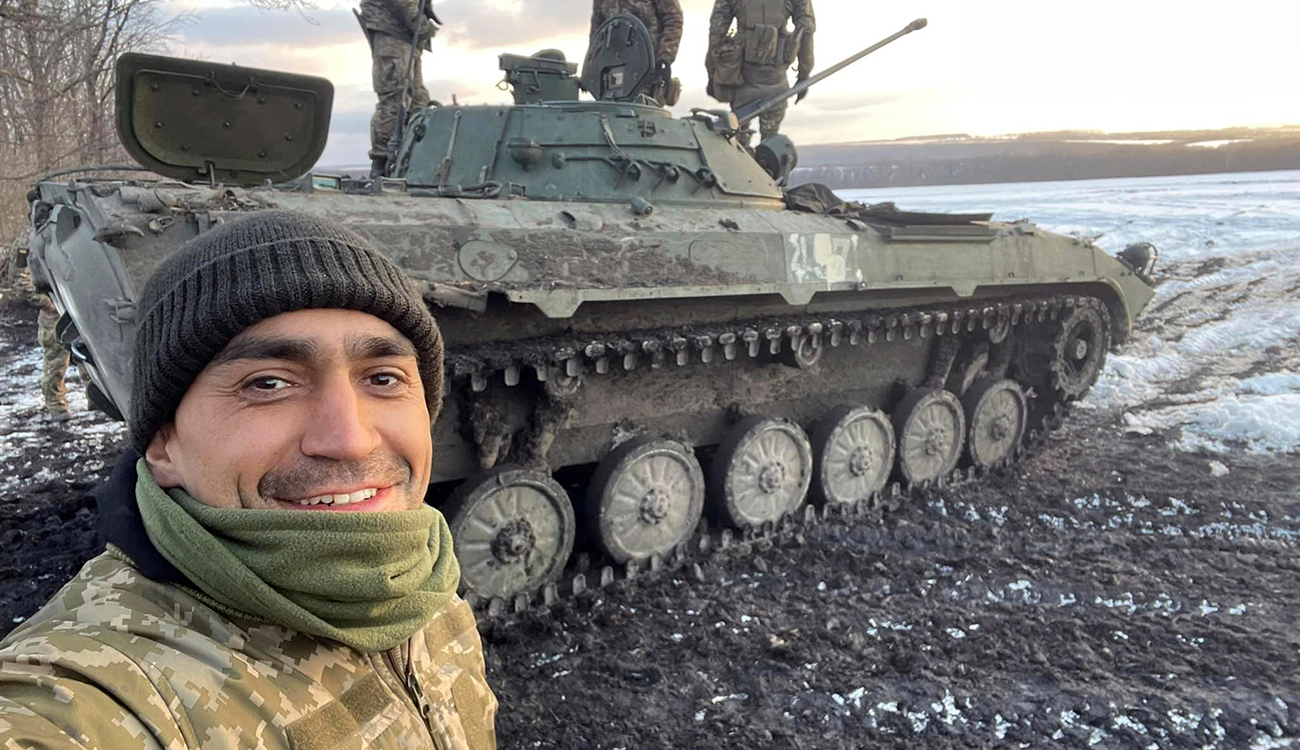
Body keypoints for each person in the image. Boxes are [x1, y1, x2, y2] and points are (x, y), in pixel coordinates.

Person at [0, 211, 498, 749]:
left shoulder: (427, 584)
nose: (350, 440)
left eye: (383, 378)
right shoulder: (93, 689)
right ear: (163, 445)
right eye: (267, 384)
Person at [707, 0, 815, 144]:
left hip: (742, 75)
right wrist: (804, 74)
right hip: (774, 78)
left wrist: (712, 71)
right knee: (770, 141)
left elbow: (717, 30)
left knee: (737, 137)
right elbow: (806, 30)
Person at [359, 0, 440, 177]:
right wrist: (424, 27)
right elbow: (403, 4)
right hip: (393, 35)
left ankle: (409, 158)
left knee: (418, 101)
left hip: (406, 37)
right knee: (395, 101)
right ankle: (382, 162)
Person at [3, 235, 70, 421]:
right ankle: (56, 404)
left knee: (90, 352)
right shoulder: (28, 238)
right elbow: (19, 280)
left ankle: (96, 398)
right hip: (54, 306)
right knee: (56, 357)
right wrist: (46, 303)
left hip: (78, 300)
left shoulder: (69, 226)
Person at [589, 0, 684, 105]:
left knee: (643, 109)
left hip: (646, 69)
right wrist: (592, 65)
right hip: (611, 72)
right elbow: (597, 33)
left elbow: (673, 19)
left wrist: (665, 56)